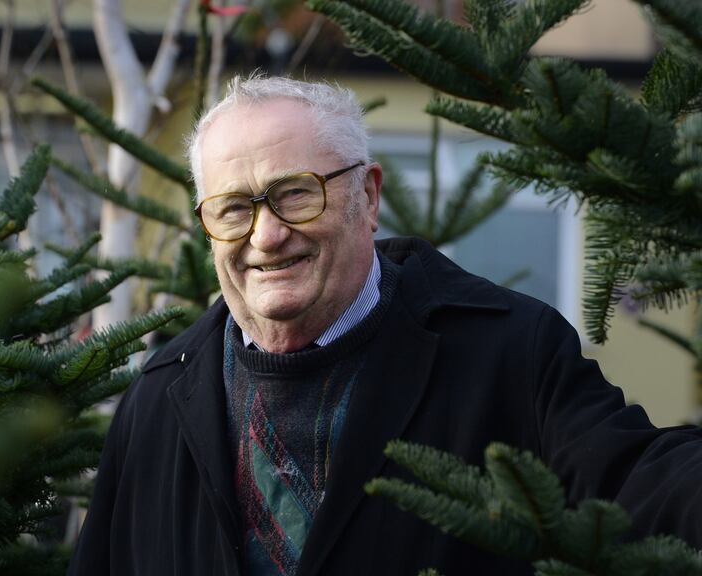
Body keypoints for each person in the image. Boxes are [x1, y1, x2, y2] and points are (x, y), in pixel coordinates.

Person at [66, 75, 702, 575]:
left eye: (295, 193)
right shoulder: (160, 393)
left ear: (366, 197)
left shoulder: (508, 350)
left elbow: (636, 481)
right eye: (233, 209)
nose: (266, 235)